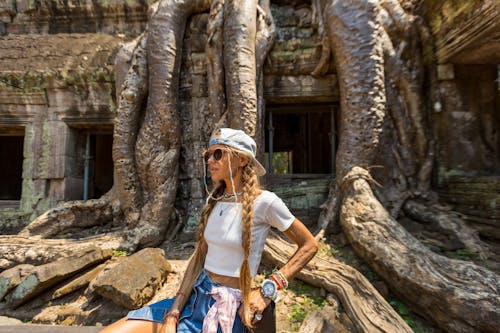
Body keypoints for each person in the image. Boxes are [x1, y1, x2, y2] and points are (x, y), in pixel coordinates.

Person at [101, 128, 318, 333]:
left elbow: (309, 246)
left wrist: (267, 290)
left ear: (242, 160)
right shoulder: (214, 200)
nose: (210, 160)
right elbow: (198, 258)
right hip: (194, 297)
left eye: (218, 154)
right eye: (208, 154)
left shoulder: (266, 202)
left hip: (228, 309)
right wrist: (174, 312)